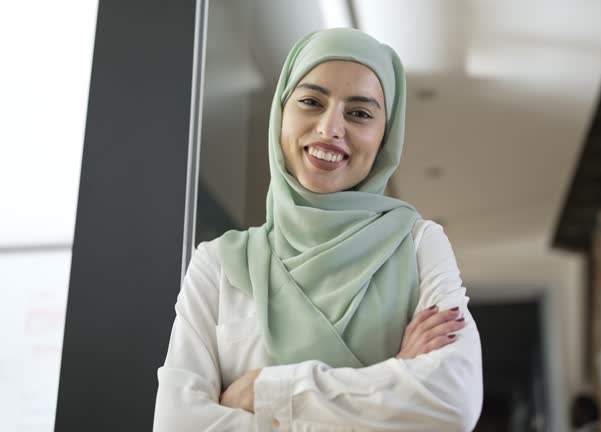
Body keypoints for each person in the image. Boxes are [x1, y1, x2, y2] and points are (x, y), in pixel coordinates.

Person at [153, 28, 483, 431]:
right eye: (311, 101)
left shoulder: (416, 244)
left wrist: (263, 392)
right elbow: (177, 423)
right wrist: (394, 376)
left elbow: (452, 401)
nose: (330, 128)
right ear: (281, 112)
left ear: (385, 136)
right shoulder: (219, 264)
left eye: (359, 113)